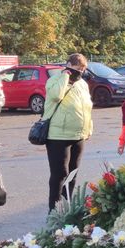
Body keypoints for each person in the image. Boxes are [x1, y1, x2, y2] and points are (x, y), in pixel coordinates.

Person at [45, 53, 94, 211]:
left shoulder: (83, 84)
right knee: (60, 175)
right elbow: (56, 96)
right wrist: (66, 76)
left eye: (82, 70)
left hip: (78, 136)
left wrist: (88, 128)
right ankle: (54, 210)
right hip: (58, 136)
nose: (80, 72)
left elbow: (87, 107)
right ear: (68, 66)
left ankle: (67, 207)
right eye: (77, 69)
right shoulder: (54, 81)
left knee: (72, 174)